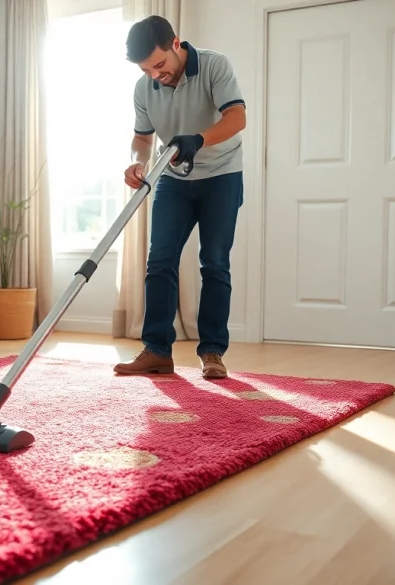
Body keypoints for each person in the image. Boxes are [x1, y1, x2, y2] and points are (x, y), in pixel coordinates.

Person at [114, 15, 246, 380]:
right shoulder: (145, 88)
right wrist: (137, 163)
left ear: (176, 44)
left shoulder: (214, 65)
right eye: (147, 70)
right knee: (159, 261)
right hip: (173, 177)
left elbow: (237, 117)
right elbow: (142, 139)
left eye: (159, 65)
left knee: (215, 262)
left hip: (222, 174)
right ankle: (157, 350)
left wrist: (198, 139)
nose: (156, 75)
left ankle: (213, 352)